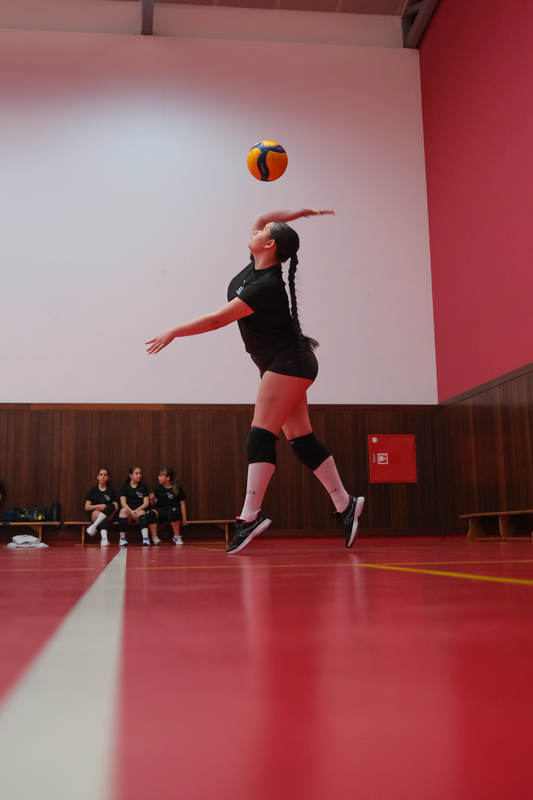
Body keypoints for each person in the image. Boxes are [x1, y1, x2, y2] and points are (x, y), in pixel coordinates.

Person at [146, 208, 364, 554]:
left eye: (264, 231)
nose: (256, 231)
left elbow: (217, 320)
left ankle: (250, 516)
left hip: (289, 362)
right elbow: (262, 217)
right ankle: (345, 504)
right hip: (284, 363)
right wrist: (299, 213)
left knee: (260, 435)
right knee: (301, 440)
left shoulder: (267, 284)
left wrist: (174, 331)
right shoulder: (256, 263)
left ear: (270, 244)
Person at [146, 467, 188, 546]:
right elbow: (154, 503)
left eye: (161, 476)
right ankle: (155, 537)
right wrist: (151, 499)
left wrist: (184, 519)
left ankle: (176, 536)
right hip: (162, 511)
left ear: (168, 478)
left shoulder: (177, 488)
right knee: (150, 513)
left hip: (173, 512)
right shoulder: (158, 488)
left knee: (174, 512)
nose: (158, 477)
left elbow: (182, 504)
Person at [85, 468, 118, 546]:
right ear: (98, 477)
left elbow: (116, 507)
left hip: (109, 513)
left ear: (108, 478)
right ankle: (104, 539)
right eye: (101, 475)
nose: (103, 476)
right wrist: (99, 506)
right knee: (104, 519)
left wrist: (105, 508)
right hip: (96, 513)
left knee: (111, 506)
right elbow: (87, 507)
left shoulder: (111, 491)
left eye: (105, 475)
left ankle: (93, 526)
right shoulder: (93, 490)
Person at [118, 465, 150, 546]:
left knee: (142, 512)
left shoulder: (144, 487)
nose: (139, 475)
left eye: (140, 473)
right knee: (123, 510)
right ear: (130, 475)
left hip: (138, 513)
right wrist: (131, 511)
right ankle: (122, 538)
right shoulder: (125, 487)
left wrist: (137, 510)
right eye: (136, 473)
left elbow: (146, 503)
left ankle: (145, 538)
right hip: (129, 513)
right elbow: (123, 503)